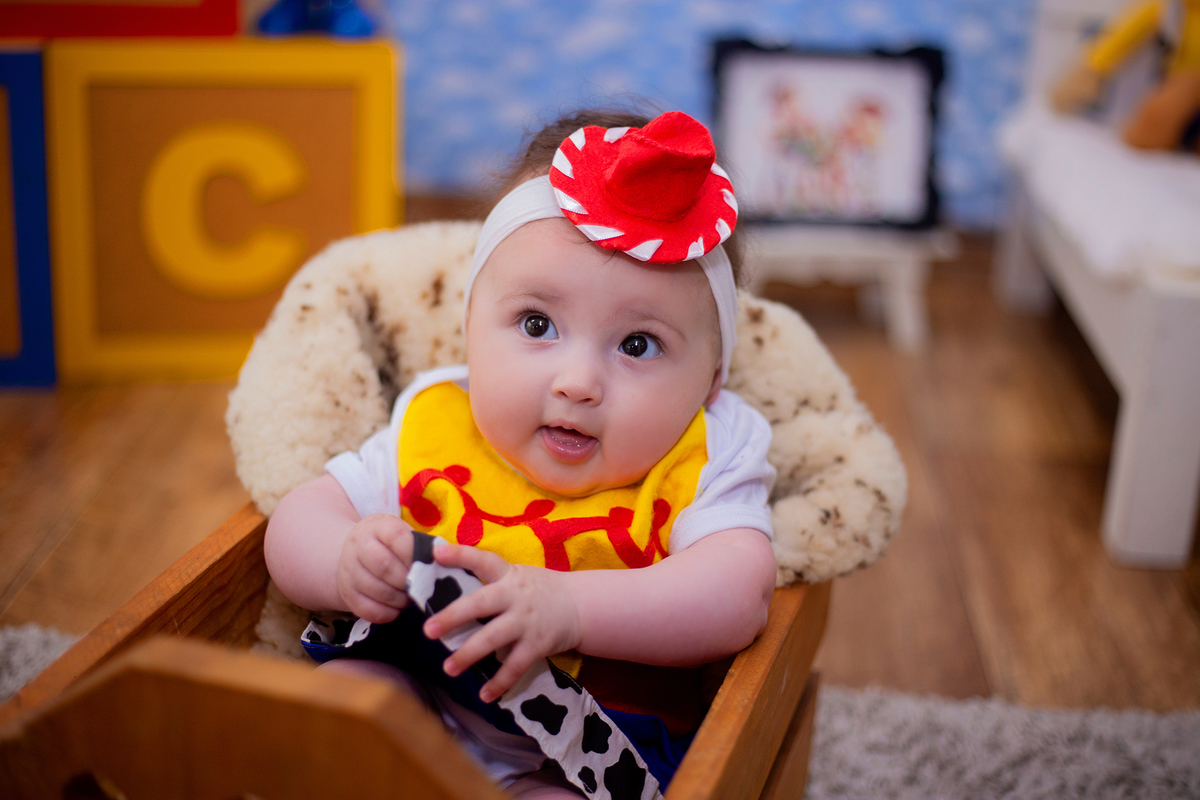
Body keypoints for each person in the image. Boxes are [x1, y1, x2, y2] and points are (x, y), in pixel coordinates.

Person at [264, 108, 778, 799]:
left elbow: (739, 593)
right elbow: (297, 518)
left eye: (638, 345)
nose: (577, 382)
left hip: (588, 747)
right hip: (425, 695)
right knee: (349, 699)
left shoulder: (704, 454)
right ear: (471, 329)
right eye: (537, 324)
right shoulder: (438, 420)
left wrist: (573, 608)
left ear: (711, 381)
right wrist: (342, 560)